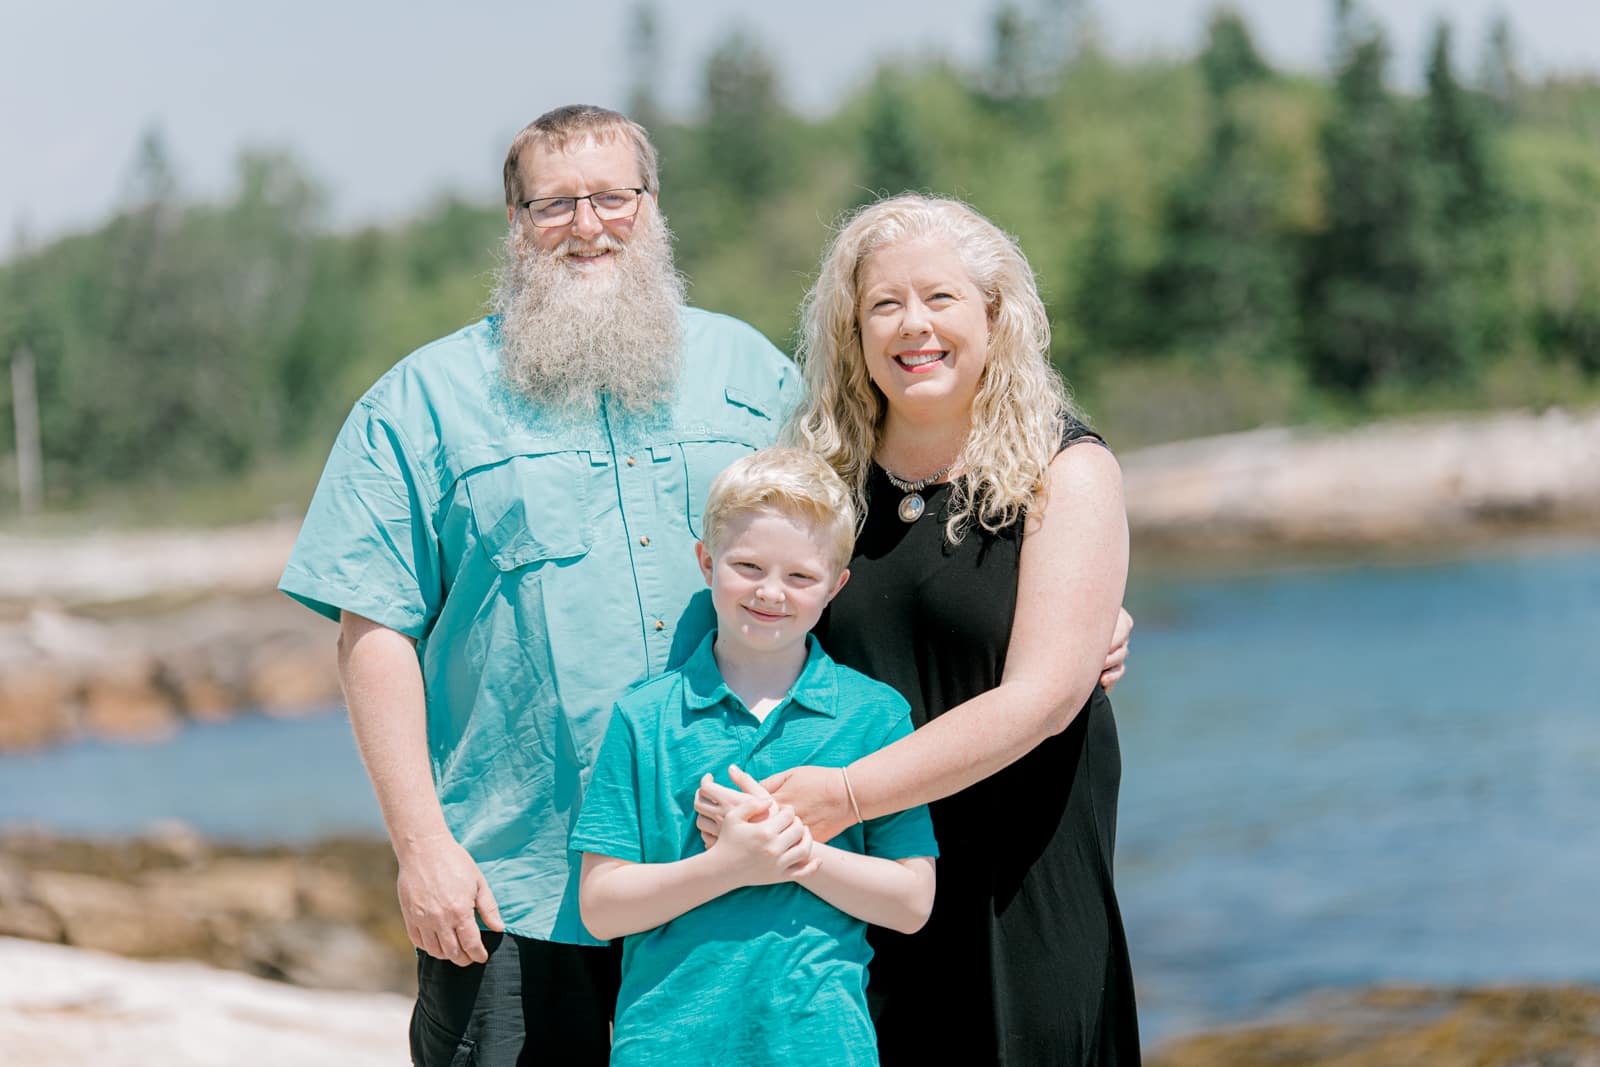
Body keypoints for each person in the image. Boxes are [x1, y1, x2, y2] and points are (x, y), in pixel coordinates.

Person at [279, 104, 1131, 1064]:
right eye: (555, 203)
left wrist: (1075, 602)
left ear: (653, 209)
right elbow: (374, 630)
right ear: (515, 221)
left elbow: (866, 536)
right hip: (520, 886)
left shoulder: (751, 375)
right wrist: (421, 845)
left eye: (613, 196)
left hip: (746, 885)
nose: (588, 223)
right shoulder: (418, 405)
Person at [698, 194, 1139, 1064]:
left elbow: (1043, 700)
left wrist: (848, 792)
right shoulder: (820, 486)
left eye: (940, 299)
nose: (914, 326)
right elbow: (744, 630)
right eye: (884, 306)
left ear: (995, 315)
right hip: (859, 881)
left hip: (1019, 875)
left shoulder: (1066, 471)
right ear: (854, 331)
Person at [572, 447, 937, 1065]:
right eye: (746, 566)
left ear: (836, 586)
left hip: (821, 1042)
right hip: (665, 1045)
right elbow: (601, 909)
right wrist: (731, 865)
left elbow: (910, 904)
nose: (771, 592)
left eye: (800, 577)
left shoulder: (875, 715)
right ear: (706, 563)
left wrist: (794, 853)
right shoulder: (646, 716)